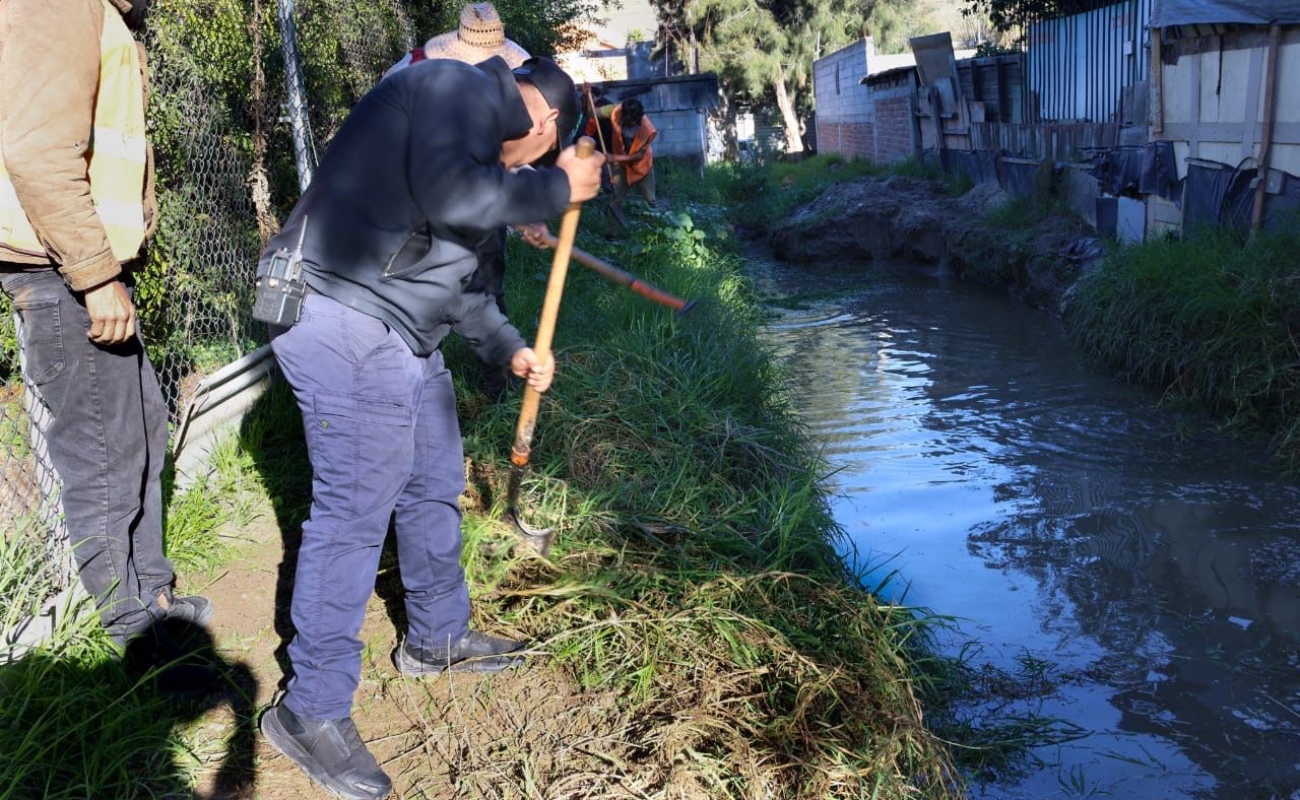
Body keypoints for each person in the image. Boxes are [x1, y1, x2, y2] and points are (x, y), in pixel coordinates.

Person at [256, 55, 601, 800]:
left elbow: (465, 292)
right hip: (339, 314)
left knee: (433, 479)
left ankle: (436, 636)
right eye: (543, 152)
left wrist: (511, 348)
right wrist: (554, 186)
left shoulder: (467, 162)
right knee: (354, 513)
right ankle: (309, 711)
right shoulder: (455, 88)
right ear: (541, 124)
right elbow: (462, 194)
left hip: (398, 335)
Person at [0, 0, 214, 688]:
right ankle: (136, 642)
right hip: (61, 274)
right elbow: (34, 150)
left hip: (80, 270)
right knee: (101, 457)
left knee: (142, 431)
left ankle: (155, 598)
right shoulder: (56, 4)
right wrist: (95, 278)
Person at [385, 2, 549, 398]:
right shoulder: (413, 70)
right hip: (412, 205)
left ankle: (499, 382)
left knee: (486, 282)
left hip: (478, 199)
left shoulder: (511, 86)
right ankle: (414, 377)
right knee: (422, 286)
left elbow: (509, 153)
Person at [586, 96, 657, 234]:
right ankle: (611, 235)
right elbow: (591, 113)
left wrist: (614, 157)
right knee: (616, 201)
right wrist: (589, 97)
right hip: (622, 167)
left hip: (642, 167)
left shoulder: (646, 129)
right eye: (626, 120)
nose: (628, 123)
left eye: (632, 122)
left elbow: (639, 155)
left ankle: (654, 233)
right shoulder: (614, 110)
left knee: (650, 201)